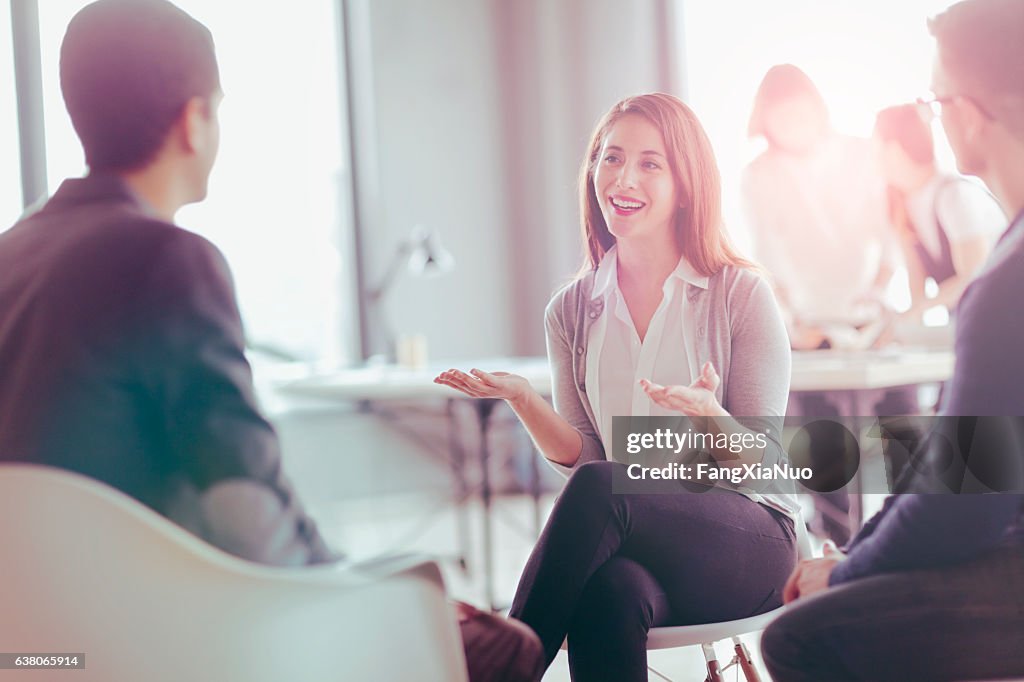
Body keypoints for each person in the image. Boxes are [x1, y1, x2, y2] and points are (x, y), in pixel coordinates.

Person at [0, 2, 542, 680]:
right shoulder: (167, 261)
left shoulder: (10, 255)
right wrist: (362, 590)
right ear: (194, 121)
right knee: (505, 644)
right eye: (218, 108)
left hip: (35, 648)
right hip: (164, 638)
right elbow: (250, 514)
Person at [436, 93, 798, 681]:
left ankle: (502, 663)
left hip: (749, 540)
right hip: (641, 541)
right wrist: (524, 400)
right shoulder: (572, 311)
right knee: (609, 591)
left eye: (651, 163)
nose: (623, 178)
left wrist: (710, 415)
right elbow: (592, 458)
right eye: (611, 158)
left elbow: (765, 466)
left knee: (603, 487)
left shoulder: (739, 295)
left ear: (687, 182)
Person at [762, 1, 1024, 680]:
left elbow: (959, 506)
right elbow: (952, 465)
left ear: (966, 113)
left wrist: (845, 573)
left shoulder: (1005, 279)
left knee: (796, 635)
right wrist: (858, 557)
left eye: (933, 101)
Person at [742, 65, 917, 545]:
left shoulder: (862, 154)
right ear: (764, 119)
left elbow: (890, 236)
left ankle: (909, 536)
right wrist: (791, 320)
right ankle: (835, 544)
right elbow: (765, 255)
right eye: (780, 115)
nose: (792, 124)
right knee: (823, 453)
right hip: (807, 328)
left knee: (904, 436)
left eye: (799, 111)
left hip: (869, 319)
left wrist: (880, 297)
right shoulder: (759, 175)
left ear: (818, 107)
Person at [873, 103, 1005, 329]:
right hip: (968, 322)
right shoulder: (903, 206)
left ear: (893, 149)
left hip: (1004, 317)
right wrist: (902, 327)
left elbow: (972, 278)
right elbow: (917, 285)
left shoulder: (955, 195)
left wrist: (917, 311)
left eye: (875, 147)